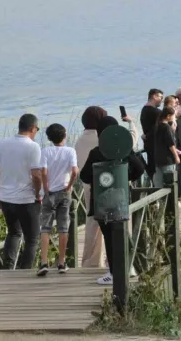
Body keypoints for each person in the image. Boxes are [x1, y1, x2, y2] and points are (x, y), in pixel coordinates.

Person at [80, 116, 145, 285]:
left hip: (101, 201)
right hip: (122, 198)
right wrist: (125, 177)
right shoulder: (125, 150)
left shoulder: (96, 152)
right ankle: (128, 267)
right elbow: (139, 169)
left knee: (109, 237)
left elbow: (84, 176)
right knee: (123, 233)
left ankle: (114, 272)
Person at [0, 114, 42, 270]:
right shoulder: (33, 146)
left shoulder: (4, 143)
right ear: (32, 128)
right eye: (37, 129)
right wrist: (37, 192)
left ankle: (8, 268)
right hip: (26, 199)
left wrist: (2, 183)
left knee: (13, 233)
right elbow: (37, 175)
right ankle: (25, 271)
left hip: (6, 198)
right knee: (32, 239)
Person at [37, 123, 78, 276]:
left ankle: (43, 263)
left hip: (49, 193)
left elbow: (44, 172)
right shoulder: (70, 151)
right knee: (63, 228)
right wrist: (69, 187)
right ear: (64, 136)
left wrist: (46, 188)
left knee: (45, 228)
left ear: (49, 138)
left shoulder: (45, 151)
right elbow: (74, 171)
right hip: (64, 192)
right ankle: (61, 263)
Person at [76, 106, 107, 268]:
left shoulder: (79, 140)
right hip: (106, 185)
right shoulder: (102, 138)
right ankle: (112, 260)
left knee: (92, 222)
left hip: (87, 184)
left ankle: (90, 261)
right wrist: (133, 128)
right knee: (110, 222)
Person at [165, 94, 181, 201]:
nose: (177, 105)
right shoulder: (167, 117)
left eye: (177, 103)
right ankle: (178, 194)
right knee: (177, 171)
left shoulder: (178, 116)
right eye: (174, 103)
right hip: (173, 148)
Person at [152, 107, 181, 188]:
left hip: (158, 158)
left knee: (159, 182)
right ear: (168, 116)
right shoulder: (166, 127)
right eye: (173, 116)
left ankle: (160, 199)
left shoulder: (157, 125)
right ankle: (171, 200)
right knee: (169, 181)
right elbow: (170, 144)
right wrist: (176, 156)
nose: (174, 118)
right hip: (167, 159)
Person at [140, 88, 163, 179]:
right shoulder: (156, 112)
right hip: (156, 145)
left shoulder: (144, 110)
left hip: (149, 144)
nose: (162, 100)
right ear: (154, 96)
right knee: (157, 170)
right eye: (160, 97)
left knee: (152, 169)